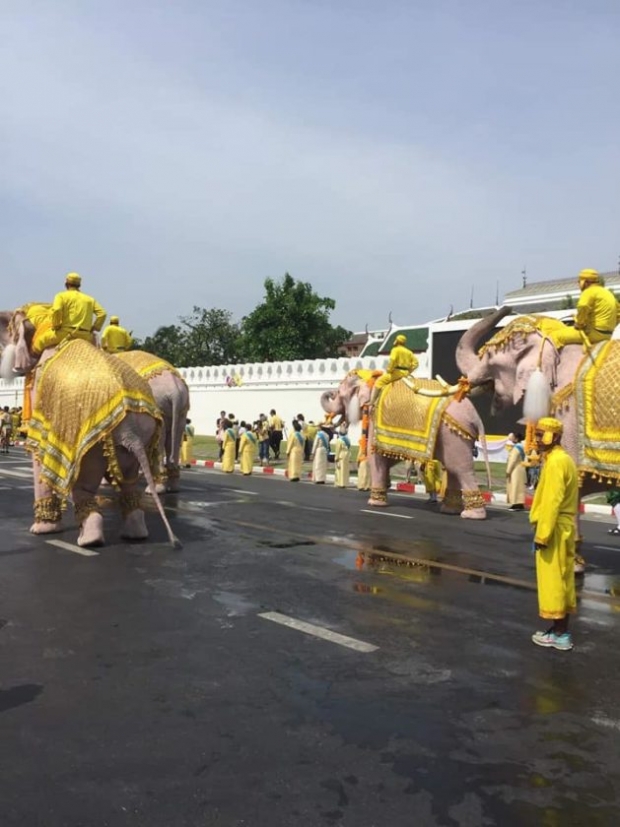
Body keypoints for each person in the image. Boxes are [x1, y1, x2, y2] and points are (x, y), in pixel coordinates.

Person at [529, 416, 579, 651]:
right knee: (562, 579)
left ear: (556, 437)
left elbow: (552, 501)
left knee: (553, 582)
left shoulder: (557, 462)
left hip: (554, 530)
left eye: (541, 435)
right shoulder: (560, 459)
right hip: (564, 527)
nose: (537, 439)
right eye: (536, 434)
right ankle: (559, 630)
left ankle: (560, 635)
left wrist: (542, 535)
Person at [33, 272, 106, 355]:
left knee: (39, 342)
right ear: (79, 285)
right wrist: (95, 327)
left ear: (66, 284)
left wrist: (56, 325)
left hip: (64, 334)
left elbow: (57, 310)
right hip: (85, 336)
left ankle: (34, 365)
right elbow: (102, 314)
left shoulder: (61, 296)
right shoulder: (90, 299)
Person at [553, 269, 620, 349]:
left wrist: (579, 324)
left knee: (555, 336)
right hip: (608, 335)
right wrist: (609, 327)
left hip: (593, 334)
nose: (578, 284)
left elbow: (583, 306)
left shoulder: (588, 291)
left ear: (585, 282)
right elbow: (618, 313)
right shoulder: (607, 293)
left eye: (579, 282)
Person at [370, 333, 419, 407]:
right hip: (405, 373)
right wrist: (409, 371)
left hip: (396, 373)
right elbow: (416, 363)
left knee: (379, 382)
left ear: (397, 341)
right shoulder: (409, 352)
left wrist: (389, 370)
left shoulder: (395, 350)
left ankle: (372, 402)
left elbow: (392, 360)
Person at [506, 432, 527, 511]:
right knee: (520, 488)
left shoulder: (516, 448)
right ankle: (520, 504)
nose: (511, 438)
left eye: (513, 437)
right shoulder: (523, 446)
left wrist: (508, 471)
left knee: (514, 487)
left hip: (515, 469)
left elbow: (512, 460)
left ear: (516, 439)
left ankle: (515, 504)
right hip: (521, 468)